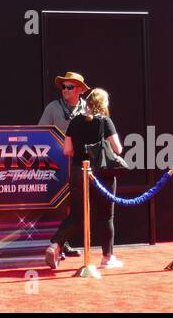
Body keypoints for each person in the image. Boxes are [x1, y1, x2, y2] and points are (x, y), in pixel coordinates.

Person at [43, 88, 124, 270]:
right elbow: (117, 149)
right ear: (103, 104)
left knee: (76, 215)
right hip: (102, 174)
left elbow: (67, 151)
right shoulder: (105, 121)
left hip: (79, 171)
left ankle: (55, 244)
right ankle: (107, 258)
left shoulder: (75, 121)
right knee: (106, 216)